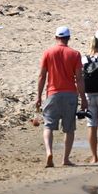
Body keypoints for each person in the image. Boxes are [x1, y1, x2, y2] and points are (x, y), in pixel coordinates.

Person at [36, 26, 87, 168]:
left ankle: (49, 152)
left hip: (53, 93)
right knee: (69, 129)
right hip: (70, 94)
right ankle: (65, 158)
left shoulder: (48, 52)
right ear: (68, 38)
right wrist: (83, 98)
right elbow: (79, 78)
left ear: (56, 37)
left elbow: (42, 76)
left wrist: (39, 96)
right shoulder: (75, 54)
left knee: (48, 126)